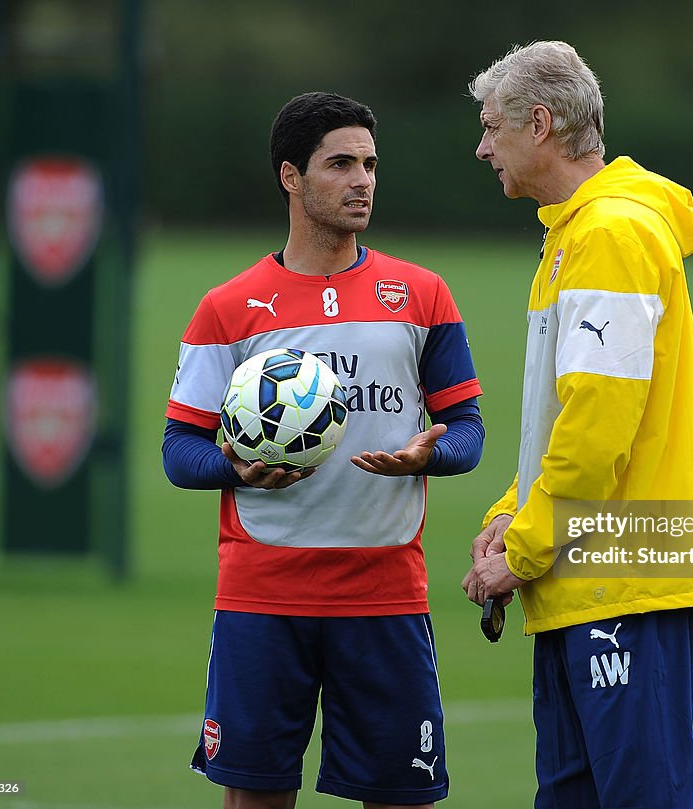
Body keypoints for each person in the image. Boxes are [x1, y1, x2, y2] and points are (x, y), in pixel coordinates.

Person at [164, 92, 484, 809]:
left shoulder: (423, 294)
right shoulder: (229, 306)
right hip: (262, 595)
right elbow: (179, 448)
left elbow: (467, 429)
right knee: (255, 798)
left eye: (370, 164)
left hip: (384, 594)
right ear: (291, 176)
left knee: (402, 797)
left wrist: (428, 456)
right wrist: (233, 467)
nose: (362, 180)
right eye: (340, 164)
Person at [460, 42, 693, 809]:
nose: (483, 146)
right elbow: (569, 421)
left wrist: (522, 546)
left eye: (492, 126)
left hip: (628, 575)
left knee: (638, 796)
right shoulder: (574, 233)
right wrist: (511, 512)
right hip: (590, 574)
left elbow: (598, 423)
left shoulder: (609, 235)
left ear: (540, 123)